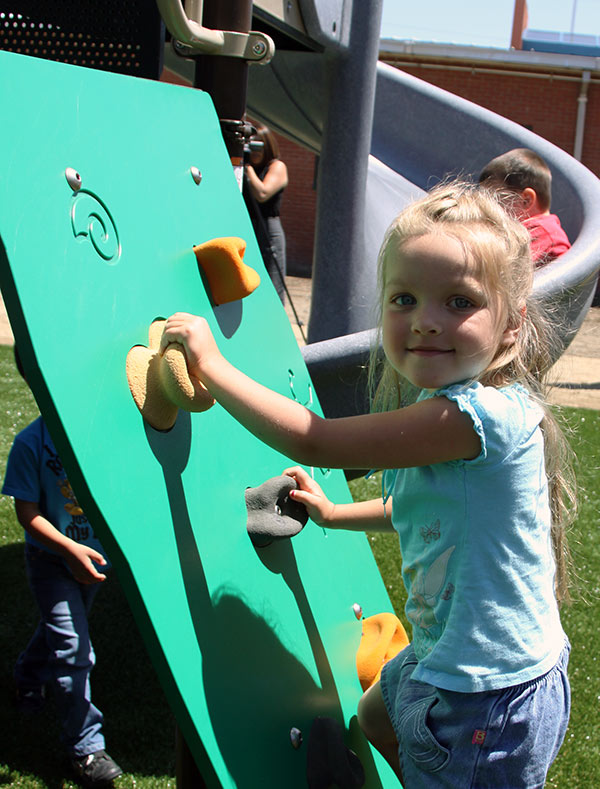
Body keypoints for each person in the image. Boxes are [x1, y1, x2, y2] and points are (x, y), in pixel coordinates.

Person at [159, 181, 575, 787]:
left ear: (512, 326)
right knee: (375, 714)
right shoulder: (451, 413)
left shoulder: (477, 418)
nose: (426, 322)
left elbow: (314, 440)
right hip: (450, 662)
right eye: (404, 298)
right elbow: (419, 508)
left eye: (459, 303)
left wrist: (211, 366)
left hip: (486, 699)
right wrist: (332, 513)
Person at [2, 348, 123, 787]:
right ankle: (85, 748)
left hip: (94, 560)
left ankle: (27, 677)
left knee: (61, 633)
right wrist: (71, 551)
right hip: (53, 561)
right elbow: (27, 514)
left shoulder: (99, 434)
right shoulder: (31, 442)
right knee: (74, 649)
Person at [478, 147, 571, 267]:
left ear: (526, 200)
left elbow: (506, 272)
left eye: (494, 199)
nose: (486, 208)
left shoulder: (545, 235)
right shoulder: (531, 231)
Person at [243, 123, 289, 303]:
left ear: (268, 145)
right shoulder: (244, 168)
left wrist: (247, 167)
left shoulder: (277, 167)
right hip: (248, 227)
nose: (254, 151)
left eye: (258, 145)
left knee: (272, 281)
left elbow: (262, 193)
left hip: (268, 230)